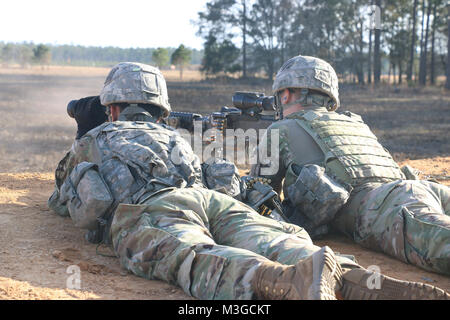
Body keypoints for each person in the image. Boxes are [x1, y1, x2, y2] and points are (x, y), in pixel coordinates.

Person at [48, 62, 448, 300]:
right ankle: (351, 276)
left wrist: (84, 136)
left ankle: (281, 281)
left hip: (156, 209)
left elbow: (64, 201)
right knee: (272, 237)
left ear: (111, 107)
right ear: (161, 109)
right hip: (212, 200)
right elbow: (221, 176)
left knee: (189, 254)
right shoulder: (177, 137)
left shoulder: (98, 138)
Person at [251, 55, 450, 277]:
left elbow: (258, 200)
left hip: (387, 208)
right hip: (422, 189)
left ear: (285, 95)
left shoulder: (280, 129)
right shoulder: (353, 121)